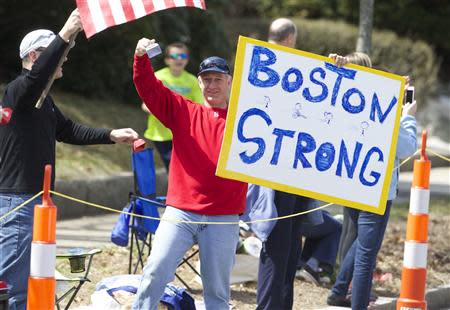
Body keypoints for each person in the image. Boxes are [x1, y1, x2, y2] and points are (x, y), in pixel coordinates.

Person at [0, 9, 139, 310]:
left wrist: (110, 134)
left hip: (34, 201)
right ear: (36, 56)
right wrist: (67, 32)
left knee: (33, 281)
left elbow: (69, 130)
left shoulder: (44, 100)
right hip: (19, 203)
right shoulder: (18, 92)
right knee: (13, 286)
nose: (65, 58)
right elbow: (37, 77)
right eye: (57, 54)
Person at [132, 38, 247, 310]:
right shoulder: (184, 111)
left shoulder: (246, 120)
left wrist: (341, 70)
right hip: (181, 212)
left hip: (224, 216)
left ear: (230, 82)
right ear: (198, 83)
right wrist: (140, 57)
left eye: (218, 79)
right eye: (206, 79)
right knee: (154, 271)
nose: (212, 85)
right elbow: (148, 88)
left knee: (217, 293)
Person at [327, 53, 418, 308]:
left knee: (359, 242)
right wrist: (407, 115)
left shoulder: (342, 103)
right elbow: (406, 147)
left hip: (349, 181)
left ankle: (338, 289)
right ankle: (354, 300)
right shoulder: (380, 106)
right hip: (375, 188)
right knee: (366, 254)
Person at [253, 17, 324, 310]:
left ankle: (281, 305)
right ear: (291, 39)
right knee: (279, 247)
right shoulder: (277, 66)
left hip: (292, 171)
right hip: (278, 172)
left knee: (290, 248)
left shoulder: (261, 65)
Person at [141, 42, 203, 171]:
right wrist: (166, 113)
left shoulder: (193, 81)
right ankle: (176, 190)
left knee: (183, 168)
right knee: (173, 166)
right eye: (174, 56)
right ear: (167, 60)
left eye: (183, 55)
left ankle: (178, 190)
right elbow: (145, 106)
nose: (179, 59)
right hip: (160, 134)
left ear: (187, 59)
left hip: (184, 133)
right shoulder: (158, 77)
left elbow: (199, 106)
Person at [297, 209, 342, 287]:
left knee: (324, 217)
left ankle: (303, 264)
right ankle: (312, 267)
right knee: (337, 227)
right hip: (295, 214)